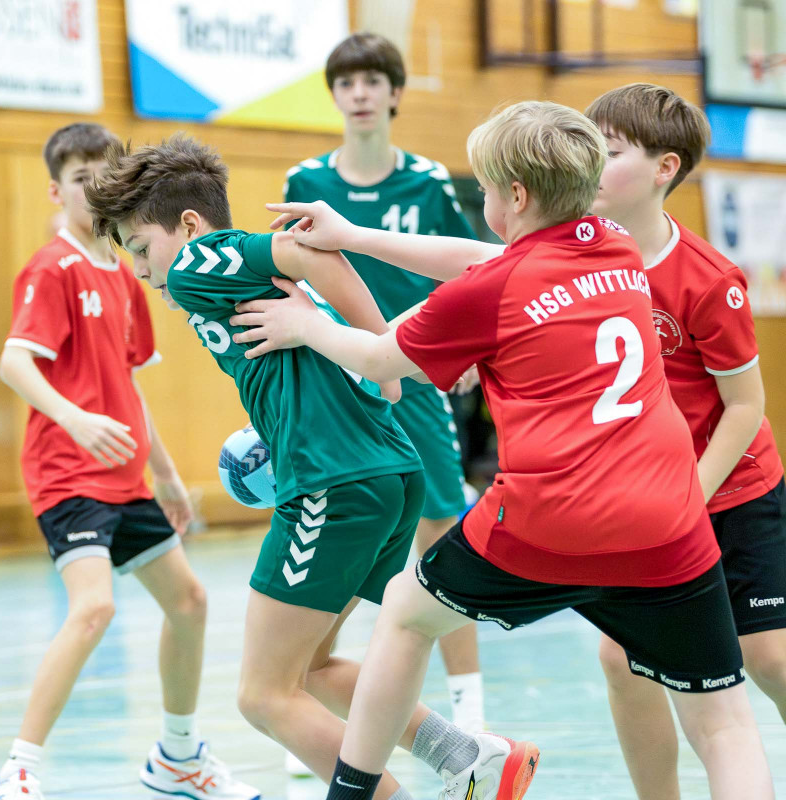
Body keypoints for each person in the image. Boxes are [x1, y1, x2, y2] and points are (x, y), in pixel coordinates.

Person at [233, 100, 772, 800]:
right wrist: (357, 236)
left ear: (514, 197)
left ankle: (353, 792)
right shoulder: (617, 246)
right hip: (668, 519)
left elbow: (376, 359)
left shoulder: (491, 291)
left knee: (405, 612)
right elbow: (481, 257)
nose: (482, 203)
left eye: (485, 190)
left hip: (548, 520)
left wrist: (305, 323)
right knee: (726, 726)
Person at [85, 133, 537, 800]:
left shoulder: (198, 263)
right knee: (314, 666)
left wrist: (380, 348)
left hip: (333, 484)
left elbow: (303, 249)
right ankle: (468, 756)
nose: (143, 271)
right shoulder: (222, 277)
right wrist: (373, 356)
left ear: (189, 226)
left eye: (143, 249)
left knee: (263, 696)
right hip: (387, 476)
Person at [0, 123, 256, 800]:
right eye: (81, 180)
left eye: (103, 178)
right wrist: (76, 419)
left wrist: (164, 473)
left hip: (125, 478)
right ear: (57, 191)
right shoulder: (52, 268)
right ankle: (17, 769)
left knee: (190, 602)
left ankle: (178, 756)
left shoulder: (129, 274)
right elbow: (15, 362)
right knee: (94, 609)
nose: (93, 191)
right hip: (67, 473)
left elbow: (128, 384)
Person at [586, 83, 786, 800]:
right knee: (621, 660)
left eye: (609, 151)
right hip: (643, 502)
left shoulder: (708, 280)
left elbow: (746, 406)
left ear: (664, 168)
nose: (591, 164)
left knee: (770, 659)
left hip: (733, 490)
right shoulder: (578, 257)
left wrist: (688, 496)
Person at [285, 34, 485, 729]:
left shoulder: (427, 181)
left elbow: (466, 270)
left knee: (442, 530)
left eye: (373, 80)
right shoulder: (305, 181)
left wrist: (464, 350)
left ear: (395, 93)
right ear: (335, 96)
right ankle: (301, 693)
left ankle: (470, 711)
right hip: (338, 381)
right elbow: (290, 277)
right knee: (338, 533)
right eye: (347, 83)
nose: (361, 94)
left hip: (416, 375)